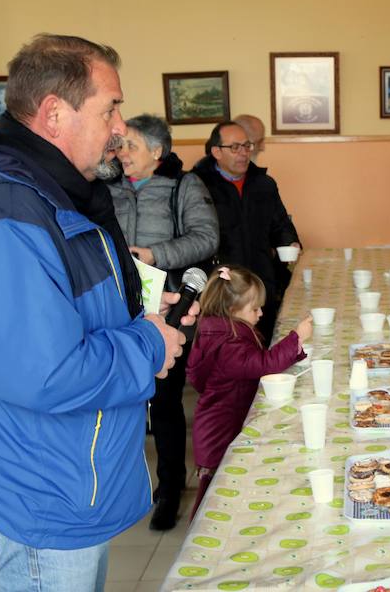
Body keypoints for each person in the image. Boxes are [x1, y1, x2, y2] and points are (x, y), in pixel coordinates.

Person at [0, 34, 192, 590]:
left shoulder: (52, 188)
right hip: (34, 490)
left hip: (61, 475)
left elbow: (61, 307)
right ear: (55, 114)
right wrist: (149, 345)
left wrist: (135, 309)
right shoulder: (9, 209)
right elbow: (44, 373)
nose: (120, 126)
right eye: (109, 107)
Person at [107, 113, 219, 530]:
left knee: (165, 399)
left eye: (130, 146)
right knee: (122, 398)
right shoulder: (106, 185)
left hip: (168, 307)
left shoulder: (185, 186)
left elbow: (206, 237)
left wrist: (154, 255)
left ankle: (170, 488)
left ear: (157, 152)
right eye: (119, 145)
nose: (121, 153)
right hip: (118, 307)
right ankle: (123, 487)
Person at [186, 266, 312, 520]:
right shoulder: (229, 343)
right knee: (215, 491)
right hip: (220, 431)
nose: (261, 313)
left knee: (221, 484)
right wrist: (296, 338)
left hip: (221, 422)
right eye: (255, 309)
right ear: (233, 311)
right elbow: (263, 365)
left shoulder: (221, 333)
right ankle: (204, 528)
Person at [193, 121, 301, 342]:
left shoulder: (264, 184)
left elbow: (280, 224)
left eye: (247, 146)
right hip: (223, 284)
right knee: (229, 347)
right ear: (216, 152)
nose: (243, 153)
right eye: (234, 147)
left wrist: (291, 242)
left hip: (261, 281)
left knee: (264, 342)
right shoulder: (197, 185)